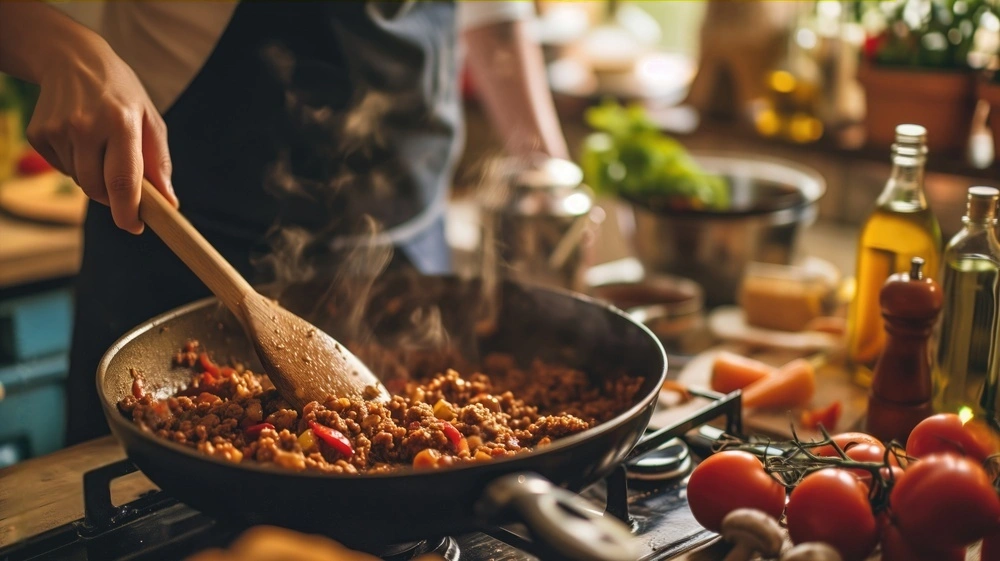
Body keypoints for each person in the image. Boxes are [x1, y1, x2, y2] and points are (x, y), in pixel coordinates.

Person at [0, 1, 569, 446]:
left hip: (408, 238)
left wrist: (550, 178)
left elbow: (493, 18)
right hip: (178, 246)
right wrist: (60, 47)